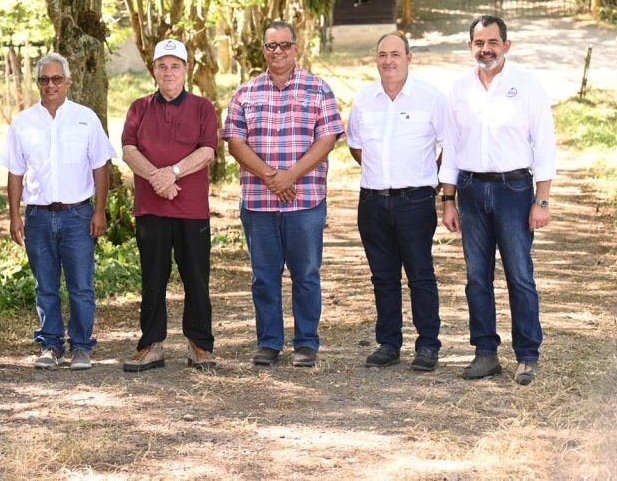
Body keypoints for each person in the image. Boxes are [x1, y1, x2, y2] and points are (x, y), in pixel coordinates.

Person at [439, 15, 555, 386]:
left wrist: (542, 200)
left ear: (506, 45)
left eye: (492, 42)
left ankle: (527, 355)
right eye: (479, 43)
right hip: (471, 189)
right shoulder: (459, 89)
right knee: (477, 277)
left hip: (514, 190)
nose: (485, 49)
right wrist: (449, 199)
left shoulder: (527, 85)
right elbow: (451, 147)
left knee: (519, 275)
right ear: (470, 46)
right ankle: (485, 353)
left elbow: (545, 145)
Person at [223, 20, 344, 368]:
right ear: (263, 50)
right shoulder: (245, 93)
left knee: (306, 274)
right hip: (258, 203)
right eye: (271, 45)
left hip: (305, 202)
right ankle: (269, 342)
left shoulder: (318, 89)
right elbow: (235, 142)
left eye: (284, 45)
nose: (278, 51)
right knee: (264, 276)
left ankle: (306, 343)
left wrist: (291, 175)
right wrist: (271, 176)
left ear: (296, 48)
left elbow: (327, 139)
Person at [0, 53, 116, 370]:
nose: (50, 85)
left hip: (78, 215)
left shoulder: (85, 118)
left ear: (68, 82)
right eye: (44, 79)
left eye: (56, 79)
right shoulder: (23, 122)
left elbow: (101, 165)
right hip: (38, 216)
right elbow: (15, 172)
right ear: (38, 83)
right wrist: (14, 215)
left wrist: (100, 211)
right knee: (45, 286)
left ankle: (81, 346)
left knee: (81, 286)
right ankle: (50, 345)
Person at [347, 32, 448, 372]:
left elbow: (449, 145)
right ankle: (389, 343)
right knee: (383, 276)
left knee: (420, 275)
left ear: (409, 57)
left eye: (395, 54)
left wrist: (430, 180)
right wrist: (382, 172)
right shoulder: (364, 99)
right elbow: (356, 146)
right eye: (382, 54)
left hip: (415, 201)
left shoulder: (430, 98)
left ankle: (428, 345)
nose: (388, 60)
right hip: (372, 201)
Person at [119, 39, 218, 372]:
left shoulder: (203, 107)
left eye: (175, 66)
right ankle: (151, 346)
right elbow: (129, 150)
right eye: (162, 66)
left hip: (191, 210)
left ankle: (200, 346)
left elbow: (207, 151)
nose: (169, 72)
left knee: (196, 278)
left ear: (186, 70)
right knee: (153, 279)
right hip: (151, 209)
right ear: (154, 70)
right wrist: (157, 178)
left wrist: (171, 173)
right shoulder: (139, 107)